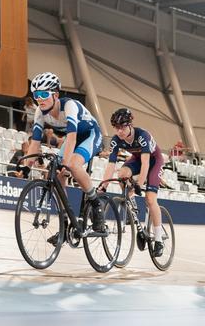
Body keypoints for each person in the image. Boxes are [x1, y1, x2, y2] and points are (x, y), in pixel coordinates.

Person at [26, 72, 104, 243]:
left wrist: (66, 164)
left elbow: (72, 138)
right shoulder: (40, 111)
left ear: (55, 95)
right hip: (72, 139)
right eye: (36, 95)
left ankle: (96, 205)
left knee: (73, 165)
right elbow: (35, 142)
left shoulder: (69, 106)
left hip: (90, 134)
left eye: (43, 94)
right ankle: (65, 225)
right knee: (54, 175)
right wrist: (27, 165)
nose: (39, 99)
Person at [99, 108, 166, 257]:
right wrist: (104, 185)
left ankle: (159, 239)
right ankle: (132, 204)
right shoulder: (116, 140)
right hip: (137, 159)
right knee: (121, 173)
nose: (120, 131)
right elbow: (111, 164)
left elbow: (146, 164)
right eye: (116, 128)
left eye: (122, 127)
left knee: (150, 198)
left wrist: (139, 185)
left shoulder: (143, 136)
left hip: (154, 161)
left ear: (130, 125)